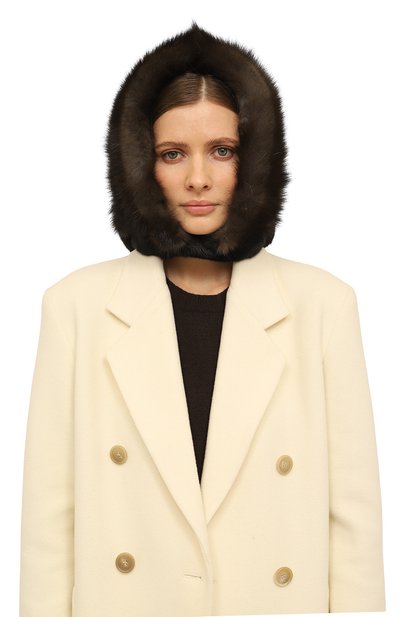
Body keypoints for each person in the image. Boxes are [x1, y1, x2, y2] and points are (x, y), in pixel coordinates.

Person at [19, 22, 386, 617]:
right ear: (139, 165)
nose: (198, 178)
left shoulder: (323, 306)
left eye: (222, 150)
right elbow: (48, 524)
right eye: (172, 154)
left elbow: (354, 523)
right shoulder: (75, 307)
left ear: (257, 158)